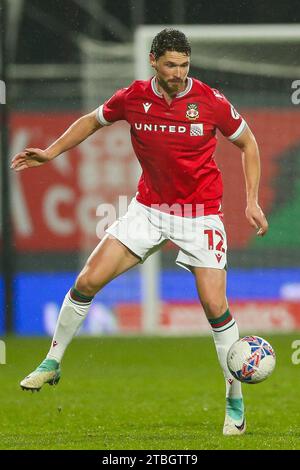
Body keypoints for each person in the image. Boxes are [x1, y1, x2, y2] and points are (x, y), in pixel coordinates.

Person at [11, 28, 268, 436]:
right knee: (87, 280)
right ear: (154, 61)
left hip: (199, 215)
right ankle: (52, 361)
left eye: (184, 65)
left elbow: (248, 143)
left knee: (215, 307)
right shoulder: (133, 97)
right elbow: (91, 121)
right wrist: (51, 152)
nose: (179, 73)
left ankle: (234, 399)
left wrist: (251, 201)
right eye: (171, 65)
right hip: (149, 210)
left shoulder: (210, 101)